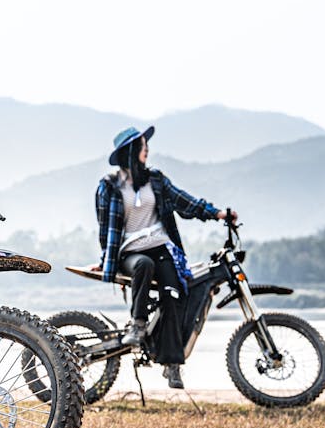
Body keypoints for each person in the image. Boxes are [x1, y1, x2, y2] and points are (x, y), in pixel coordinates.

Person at [95, 125, 234, 389]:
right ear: (130, 152)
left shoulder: (156, 180)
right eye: (142, 146)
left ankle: (172, 365)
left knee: (174, 294)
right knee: (144, 265)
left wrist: (216, 213)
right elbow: (106, 229)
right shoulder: (109, 186)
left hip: (162, 248)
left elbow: (185, 202)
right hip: (130, 253)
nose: (147, 150)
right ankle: (137, 324)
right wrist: (106, 260)